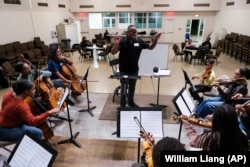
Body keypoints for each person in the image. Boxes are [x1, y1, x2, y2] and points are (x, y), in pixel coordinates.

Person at [111, 25, 162, 107]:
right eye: (132, 31)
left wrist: (156, 40)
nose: (135, 33)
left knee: (132, 88)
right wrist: (116, 44)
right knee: (124, 89)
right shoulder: (122, 41)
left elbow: (151, 47)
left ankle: (131, 102)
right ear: (127, 33)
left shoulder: (139, 41)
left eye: (136, 32)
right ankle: (122, 106)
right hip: (124, 70)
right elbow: (113, 52)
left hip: (134, 70)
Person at [181, 104, 248, 151]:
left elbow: (193, 141)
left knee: (184, 147)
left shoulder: (211, 138)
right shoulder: (243, 134)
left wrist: (187, 123)